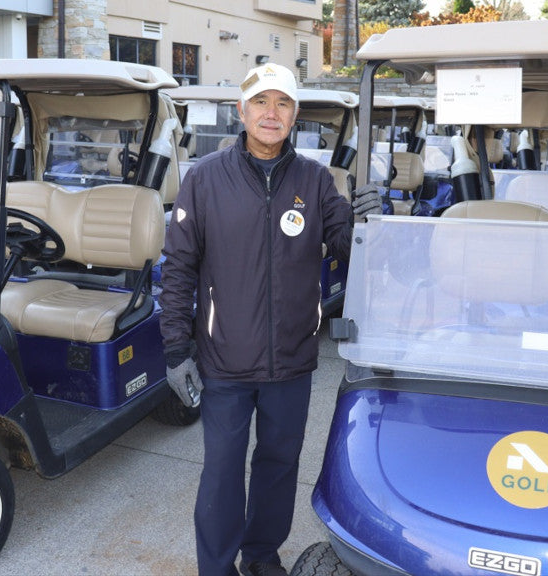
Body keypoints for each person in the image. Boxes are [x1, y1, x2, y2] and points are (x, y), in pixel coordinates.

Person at [158, 62, 382, 576]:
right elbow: (179, 270)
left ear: (294, 115)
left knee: (279, 467)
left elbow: (348, 249)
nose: (271, 113)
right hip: (224, 361)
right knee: (221, 473)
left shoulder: (315, 180)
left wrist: (370, 222)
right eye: (261, 102)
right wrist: (175, 349)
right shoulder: (205, 180)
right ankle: (216, 567)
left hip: (291, 360)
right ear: (242, 110)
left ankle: (261, 556)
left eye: (283, 103)